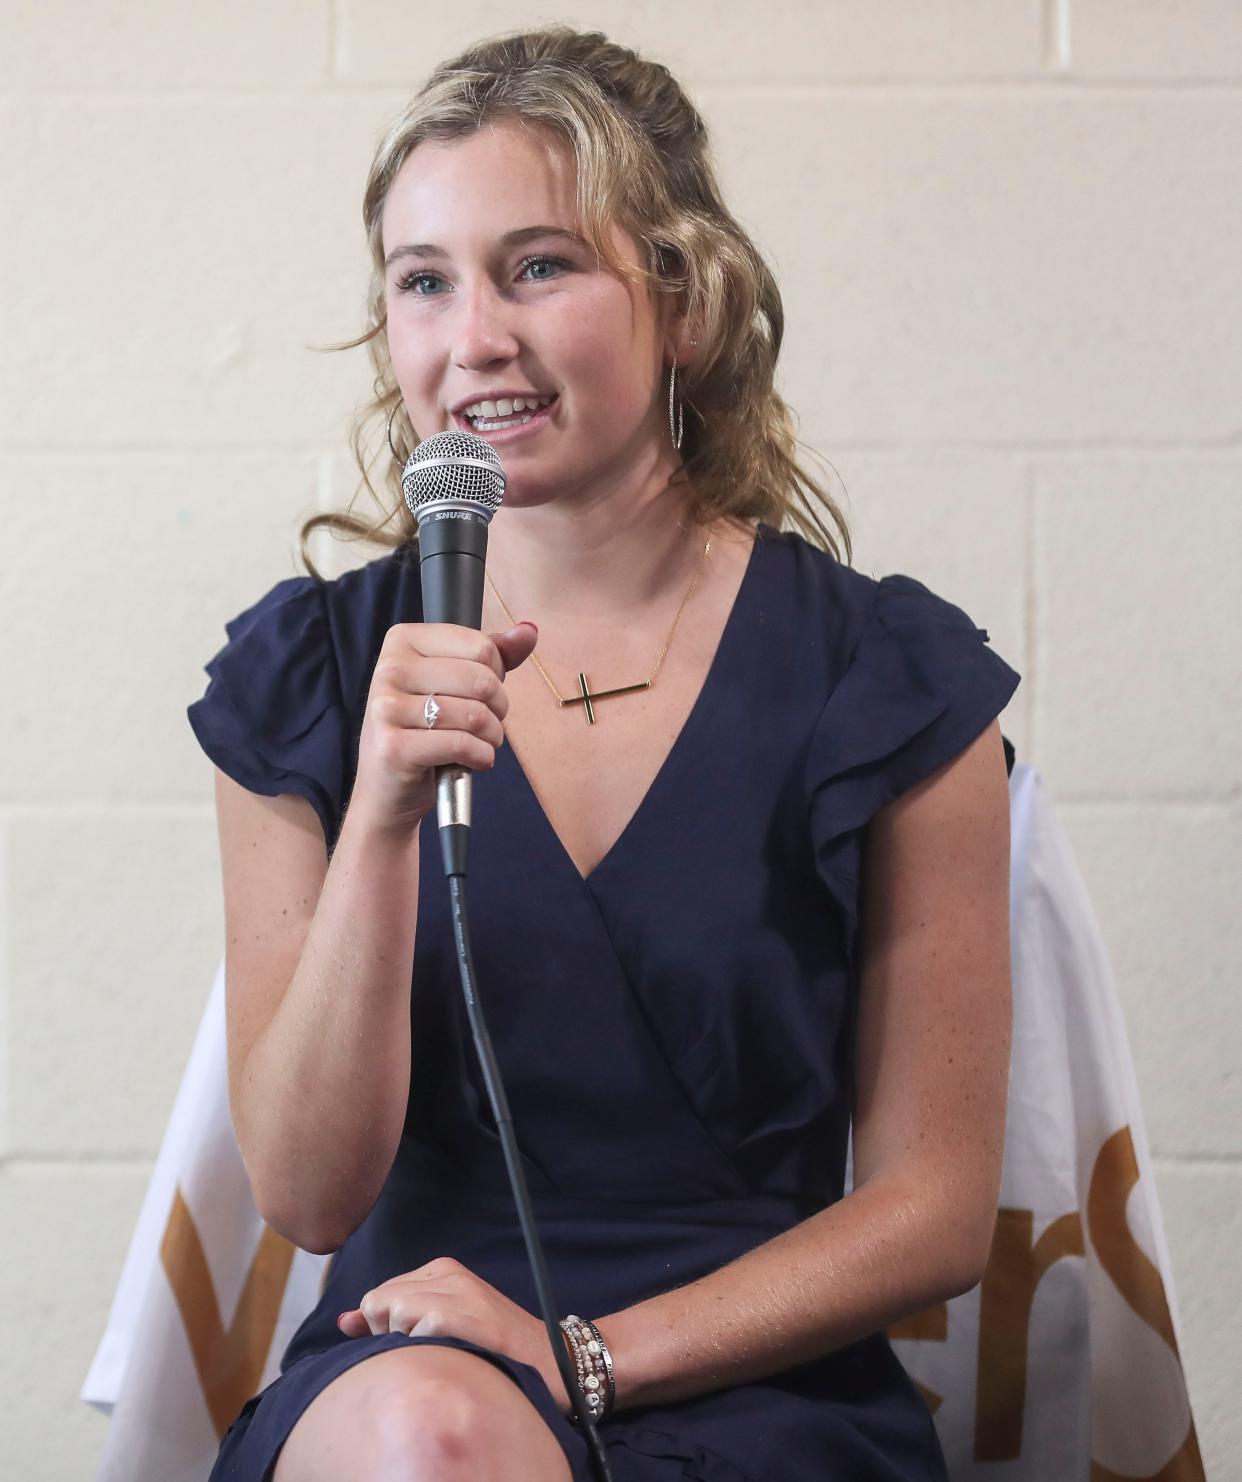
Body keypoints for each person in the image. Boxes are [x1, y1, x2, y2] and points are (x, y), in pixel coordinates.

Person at [188, 25, 1020, 1482]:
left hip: (758, 1383)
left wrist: (587, 1352)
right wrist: (382, 816)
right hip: (412, 1380)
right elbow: (312, 1195)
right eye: (424, 281)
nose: (474, 339)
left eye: (539, 266)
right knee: (430, 1434)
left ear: (683, 302)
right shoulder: (308, 677)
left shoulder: (880, 675)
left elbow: (935, 1212)